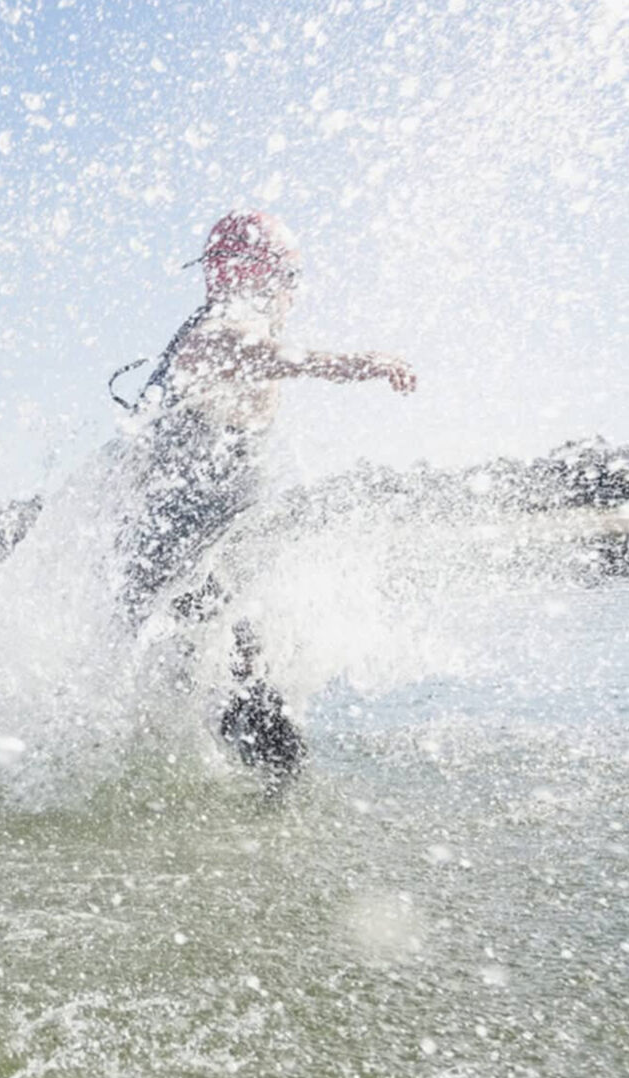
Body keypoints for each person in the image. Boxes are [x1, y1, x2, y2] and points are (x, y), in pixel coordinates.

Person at [112, 210, 417, 780]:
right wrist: (350, 364)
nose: (294, 295)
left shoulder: (230, 322)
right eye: (291, 278)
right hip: (181, 567)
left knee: (209, 717)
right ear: (258, 274)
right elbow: (219, 349)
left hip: (177, 564)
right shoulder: (223, 322)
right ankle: (266, 835)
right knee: (266, 729)